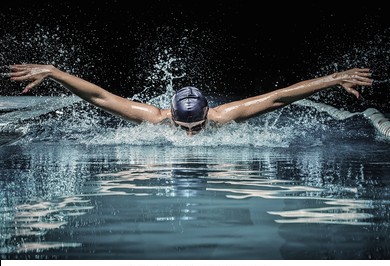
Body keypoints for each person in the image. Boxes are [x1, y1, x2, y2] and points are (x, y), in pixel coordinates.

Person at [7, 64, 373, 136]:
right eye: (183, 128)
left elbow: (278, 97)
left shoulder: (224, 116)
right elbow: (100, 96)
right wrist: (54, 72)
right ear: (169, 114)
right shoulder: (153, 117)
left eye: (196, 127)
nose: (190, 136)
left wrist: (333, 78)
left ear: (208, 113)